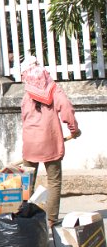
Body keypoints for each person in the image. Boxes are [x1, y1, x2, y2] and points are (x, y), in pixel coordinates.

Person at [20, 56, 80, 226]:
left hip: (30, 142)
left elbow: (24, 117)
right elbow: (67, 109)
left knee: (27, 182)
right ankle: (51, 220)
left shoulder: (27, 94)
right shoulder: (54, 89)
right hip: (50, 143)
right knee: (53, 180)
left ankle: (24, 217)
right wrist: (74, 130)